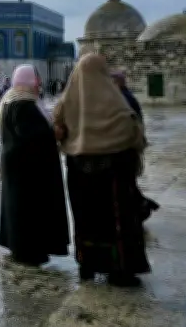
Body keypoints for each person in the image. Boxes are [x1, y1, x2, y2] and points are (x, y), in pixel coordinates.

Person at [53, 53, 150, 286]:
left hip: (78, 170)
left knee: (86, 219)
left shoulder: (67, 100)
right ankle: (119, 269)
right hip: (114, 172)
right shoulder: (116, 101)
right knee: (116, 221)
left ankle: (87, 263)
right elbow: (132, 132)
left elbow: (58, 129)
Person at [0, 65, 70, 266]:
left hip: (20, 169)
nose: (39, 83)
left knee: (21, 210)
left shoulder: (14, 101)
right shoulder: (23, 104)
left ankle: (24, 248)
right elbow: (31, 136)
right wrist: (54, 134)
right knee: (28, 211)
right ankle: (28, 251)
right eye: (36, 79)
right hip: (27, 173)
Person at [111, 71, 160, 221]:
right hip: (130, 146)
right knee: (127, 183)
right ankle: (142, 206)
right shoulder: (126, 96)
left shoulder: (123, 99)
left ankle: (141, 208)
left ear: (117, 83)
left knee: (126, 184)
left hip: (127, 147)